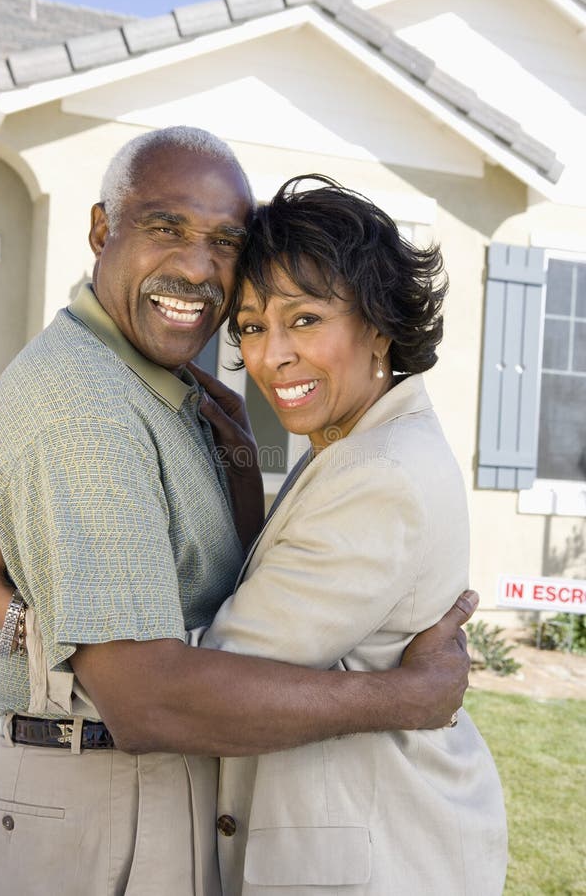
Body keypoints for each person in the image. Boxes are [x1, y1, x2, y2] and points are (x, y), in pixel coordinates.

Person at [0, 127, 475, 896]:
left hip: (174, 798)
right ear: (100, 231)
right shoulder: (87, 412)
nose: (196, 265)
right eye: (166, 227)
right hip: (98, 798)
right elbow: (149, 692)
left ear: (377, 324)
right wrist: (405, 698)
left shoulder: (176, 397)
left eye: (224, 240)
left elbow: (225, 618)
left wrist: (241, 475)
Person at [196, 175, 508, 894]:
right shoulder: (358, 441)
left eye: (303, 320)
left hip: (374, 861)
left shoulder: (380, 474)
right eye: (250, 325)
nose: (271, 357)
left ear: (378, 323)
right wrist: (246, 476)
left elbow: (214, 682)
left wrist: (35, 611)